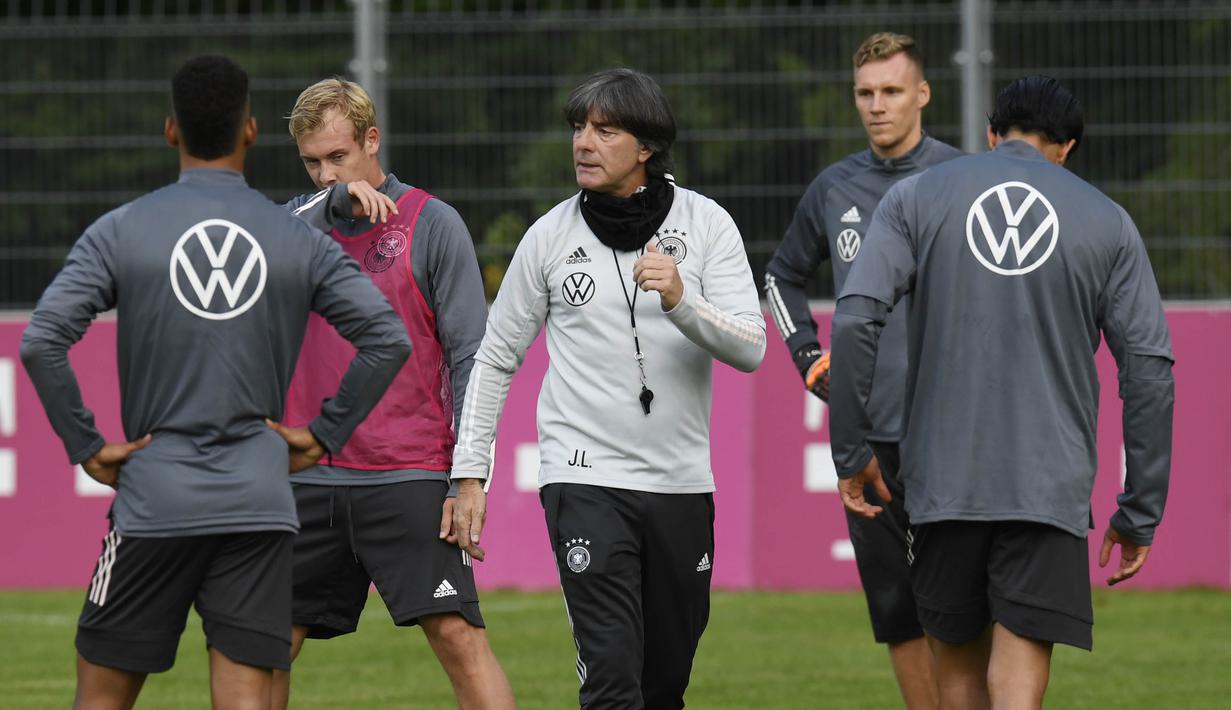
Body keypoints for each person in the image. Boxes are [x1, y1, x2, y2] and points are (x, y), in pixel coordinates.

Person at [20, 56, 410, 710]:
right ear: (251, 131)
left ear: (171, 131)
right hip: (257, 501)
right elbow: (387, 338)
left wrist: (87, 445)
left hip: (153, 501)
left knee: (100, 698)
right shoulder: (294, 239)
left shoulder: (121, 230)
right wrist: (322, 434)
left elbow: (42, 340)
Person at [829, 76, 1174, 709]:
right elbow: (1149, 371)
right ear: (1067, 147)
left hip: (943, 484)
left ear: (991, 134)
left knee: (956, 674)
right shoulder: (1109, 222)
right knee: (1017, 683)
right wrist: (1140, 508)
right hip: (1048, 488)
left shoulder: (914, 199)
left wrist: (850, 450)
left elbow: (855, 320)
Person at [448, 68, 765, 709]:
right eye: (578, 128)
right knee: (613, 681)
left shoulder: (707, 225)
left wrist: (682, 299)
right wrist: (470, 473)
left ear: (645, 147)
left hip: (680, 484)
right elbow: (495, 359)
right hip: (584, 479)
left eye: (605, 130)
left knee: (664, 685)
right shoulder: (548, 236)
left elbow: (752, 349)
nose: (583, 143)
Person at [274, 78, 516, 709]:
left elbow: (473, 357)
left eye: (338, 157)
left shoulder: (433, 224)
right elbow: (247, 233)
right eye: (312, 162)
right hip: (306, 475)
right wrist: (330, 203)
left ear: (371, 141)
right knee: (262, 650)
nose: (326, 174)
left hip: (407, 473)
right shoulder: (292, 230)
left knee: (460, 641)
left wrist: (469, 477)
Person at [763, 31, 960, 710]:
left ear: (922, 94)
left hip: (952, 431)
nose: (876, 106)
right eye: (865, 94)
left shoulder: (960, 182)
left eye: (891, 92)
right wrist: (805, 355)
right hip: (869, 437)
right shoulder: (834, 188)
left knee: (963, 607)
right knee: (896, 608)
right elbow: (781, 275)